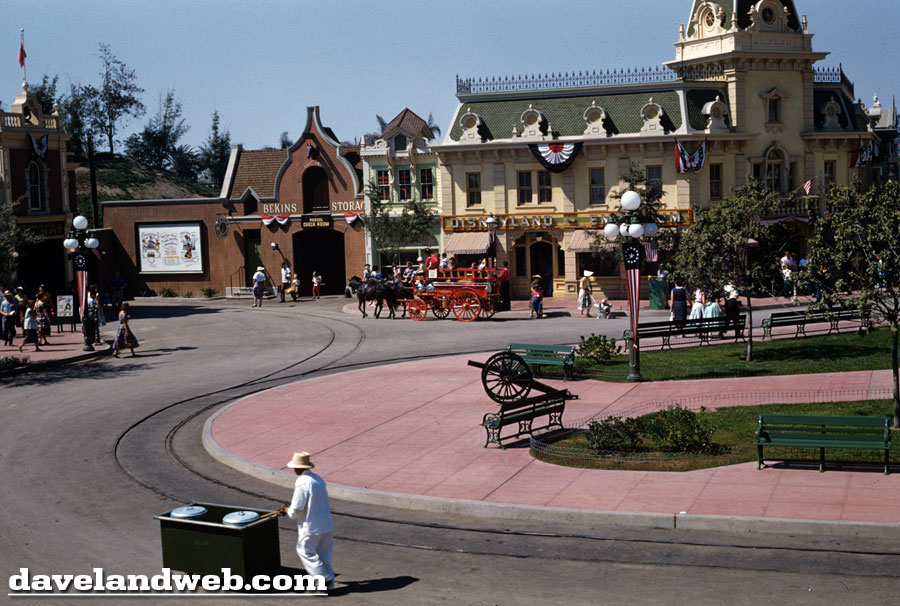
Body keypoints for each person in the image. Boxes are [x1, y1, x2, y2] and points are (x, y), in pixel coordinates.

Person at [278, 451, 335, 594]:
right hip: (326, 524)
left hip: (311, 525)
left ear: (298, 468)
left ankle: (324, 578)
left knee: (304, 550)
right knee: (324, 555)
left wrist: (287, 510)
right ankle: (328, 585)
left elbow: (296, 508)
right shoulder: (318, 479)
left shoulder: (302, 482)